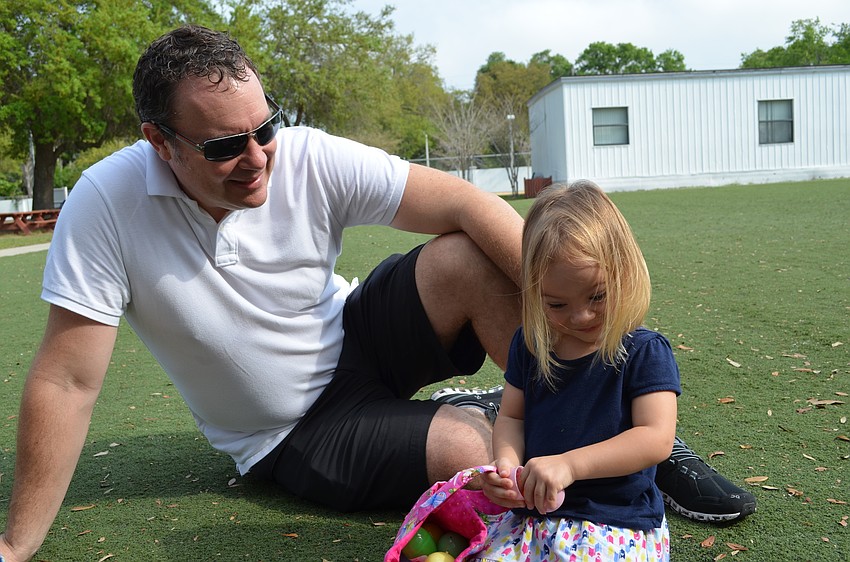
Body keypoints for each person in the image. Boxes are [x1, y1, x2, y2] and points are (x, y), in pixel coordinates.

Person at [0, 25, 752, 562]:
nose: (258, 157)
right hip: (294, 430)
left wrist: (598, 334)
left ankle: (605, 416)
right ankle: (503, 420)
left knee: (464, 255)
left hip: (357, 336)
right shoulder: (106, 204)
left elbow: (466, 202)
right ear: (160, 141)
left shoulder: (301, 157)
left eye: (266, 127)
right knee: (476, 453)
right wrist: (15, 545)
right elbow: (67, 381)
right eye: (226, 145)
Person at [474, 181, 680, 561]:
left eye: (597, 296)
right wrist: (507, 465)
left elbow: (656, 438)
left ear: (625, 272)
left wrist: (569, 465)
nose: (581, 316)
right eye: (557, 304)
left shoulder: (644, 351)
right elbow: (512, 417)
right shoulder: (531, 345)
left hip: (616, 521)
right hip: (534, 516)